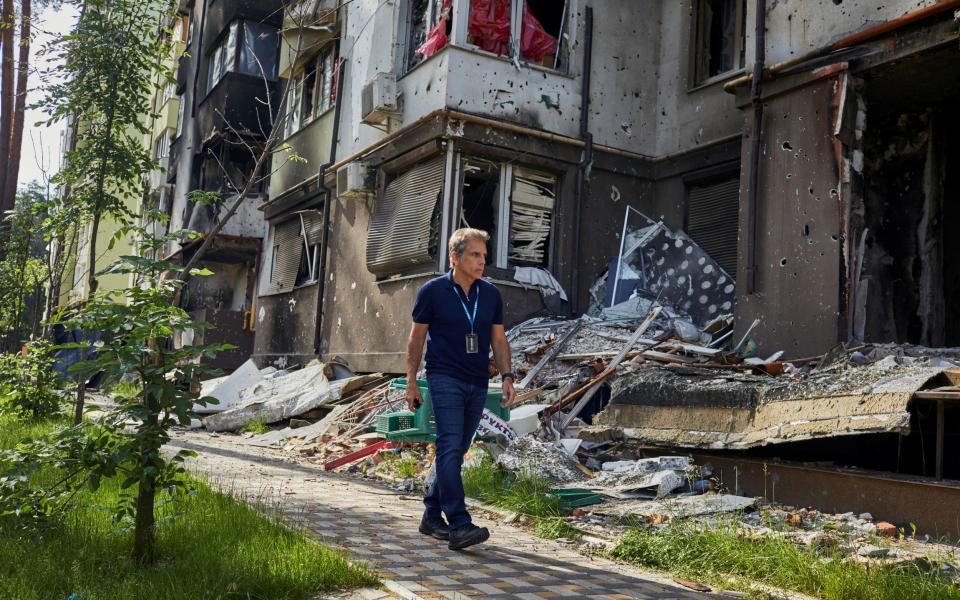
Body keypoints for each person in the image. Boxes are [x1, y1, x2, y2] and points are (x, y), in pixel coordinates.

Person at [405, 228, 516, 551]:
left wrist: (507, 376)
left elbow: (498, 339)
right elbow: (416, 339)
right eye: (475, 255)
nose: (482, 261)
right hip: (444, 377)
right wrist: (412, 380)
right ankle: (459, 523)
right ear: (455, 257)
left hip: (477, 381)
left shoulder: (491, 294)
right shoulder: (433, 292)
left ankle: (430, 514)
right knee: (450, 445)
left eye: (484, 255)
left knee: (456, 449)